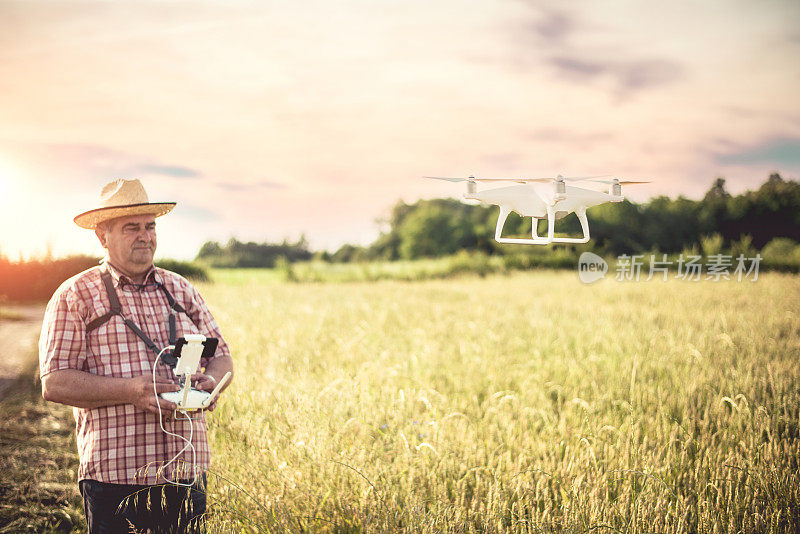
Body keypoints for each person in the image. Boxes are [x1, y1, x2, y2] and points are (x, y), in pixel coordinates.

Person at [39, 178, 234, 533]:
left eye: (150, 226)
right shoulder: (75, 295)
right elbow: (54, 383)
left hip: (187, 471)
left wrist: (212, 386)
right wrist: (130, 390)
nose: (145, 236)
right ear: (102, 236)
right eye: (132, 228)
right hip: (116, 478)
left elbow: (222, 357)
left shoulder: (180, 288)